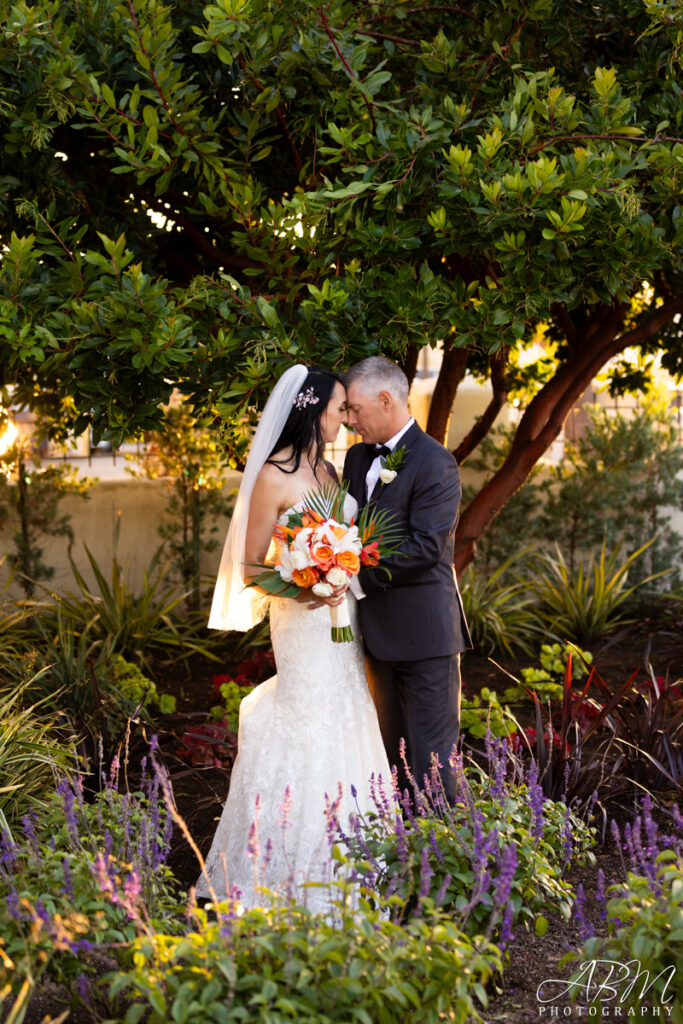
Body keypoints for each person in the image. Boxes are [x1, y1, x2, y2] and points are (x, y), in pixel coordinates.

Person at [196, 365, 391, 912]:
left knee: (351, 713)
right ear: (311, 410)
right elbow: (251, 567)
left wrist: (341, 571)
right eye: (336, 410)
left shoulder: (331, 470)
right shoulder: (273, 478)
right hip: (302, 622)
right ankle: (290, 875)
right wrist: (305, 584)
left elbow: (345, 537)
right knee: (308, 718)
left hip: (342, 622)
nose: (343, 420)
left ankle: (357, 870)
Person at [344, 355, 472, 804]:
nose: (350, 421)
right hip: (376, 638)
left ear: (385, 400)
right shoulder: (357, 459)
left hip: (427, 639)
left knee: (432, 763)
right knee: (389, 761)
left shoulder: (437, 463)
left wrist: (354, 577)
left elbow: (425, 547)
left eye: (355, 410)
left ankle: (446, 861)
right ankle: (402, 861)